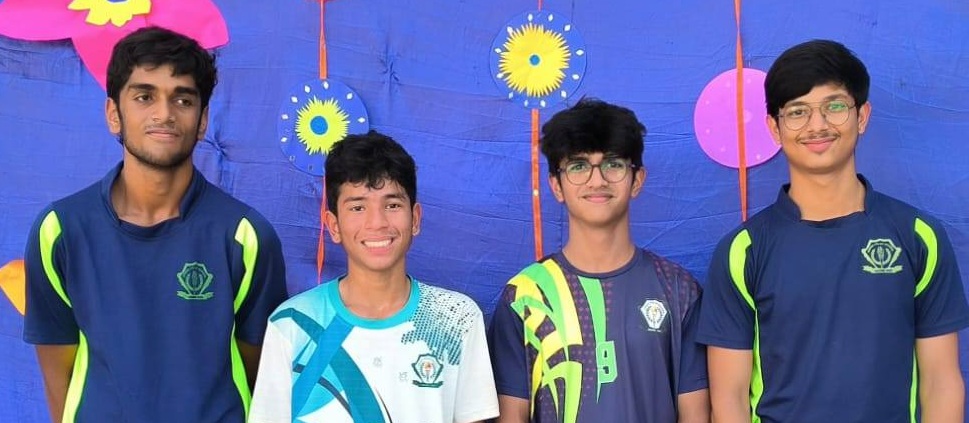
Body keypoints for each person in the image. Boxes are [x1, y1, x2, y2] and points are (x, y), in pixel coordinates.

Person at [22, 26, 288, 422]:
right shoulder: (60, 230)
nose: (164, 114)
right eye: (144, 96)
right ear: (114, 114)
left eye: (183, 99)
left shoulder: (245, 236)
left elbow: (260, 378)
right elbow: (58, 375)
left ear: (202, 120)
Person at [697, 39, 969, 422]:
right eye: (798, 112)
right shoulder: (744, 250)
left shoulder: (917, 235)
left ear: (862, 116)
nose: (817, 125)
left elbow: (941, 383)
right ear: (774, 128)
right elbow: (729, 400)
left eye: (835, 106)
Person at [249, 131, 499, 423]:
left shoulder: (456, 318)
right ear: (333, 225)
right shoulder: (291, 323)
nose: (377, 223)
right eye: (358, 207)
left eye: (392, 205)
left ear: (415, 219)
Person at [489, 98, 710, 423]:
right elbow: (512, 415)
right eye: (578, 166)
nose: (597, 180)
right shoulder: (524, 297)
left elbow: (696, 414)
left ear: (637, 179)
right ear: (556, 185)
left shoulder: (679, 290)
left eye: (613, 164)